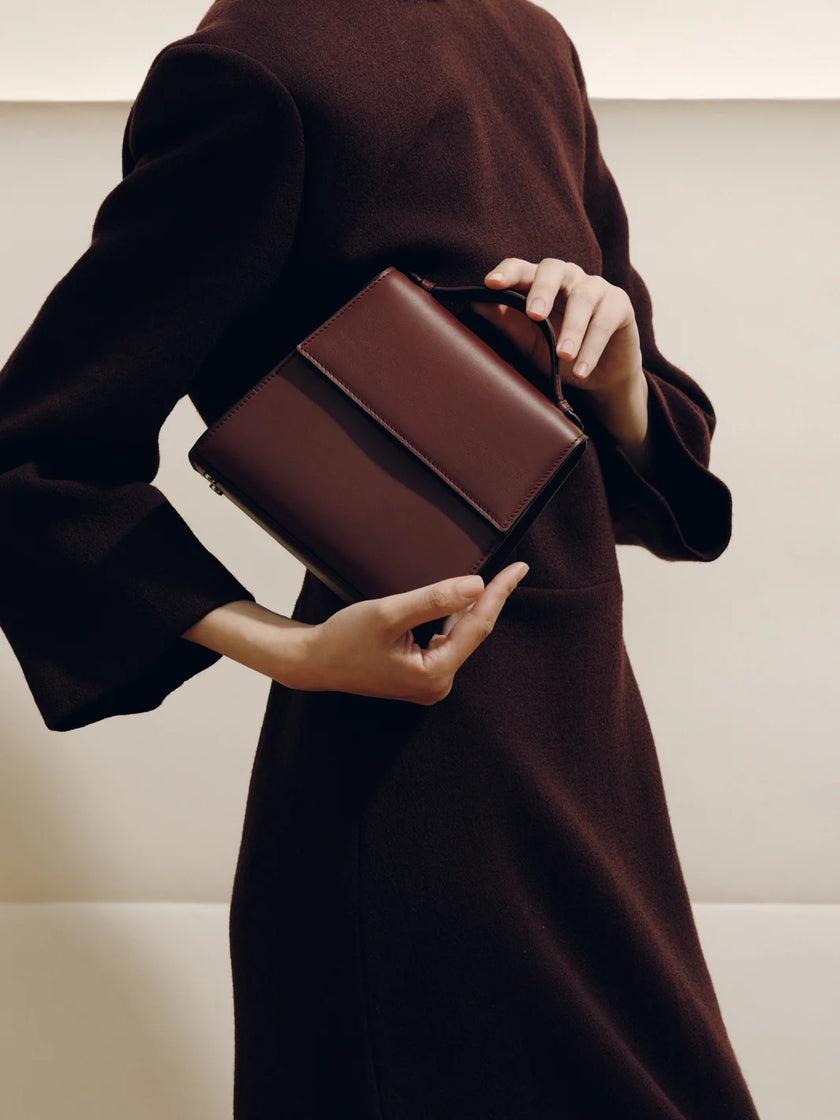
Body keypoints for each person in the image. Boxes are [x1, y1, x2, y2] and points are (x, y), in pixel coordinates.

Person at [0, 1, 763, 1117]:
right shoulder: (257, 70)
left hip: (591, 756)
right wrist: (293, 650)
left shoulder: (529, 39)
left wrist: (620, 381)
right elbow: (35, 458)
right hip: (421, 785)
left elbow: (641, 470)